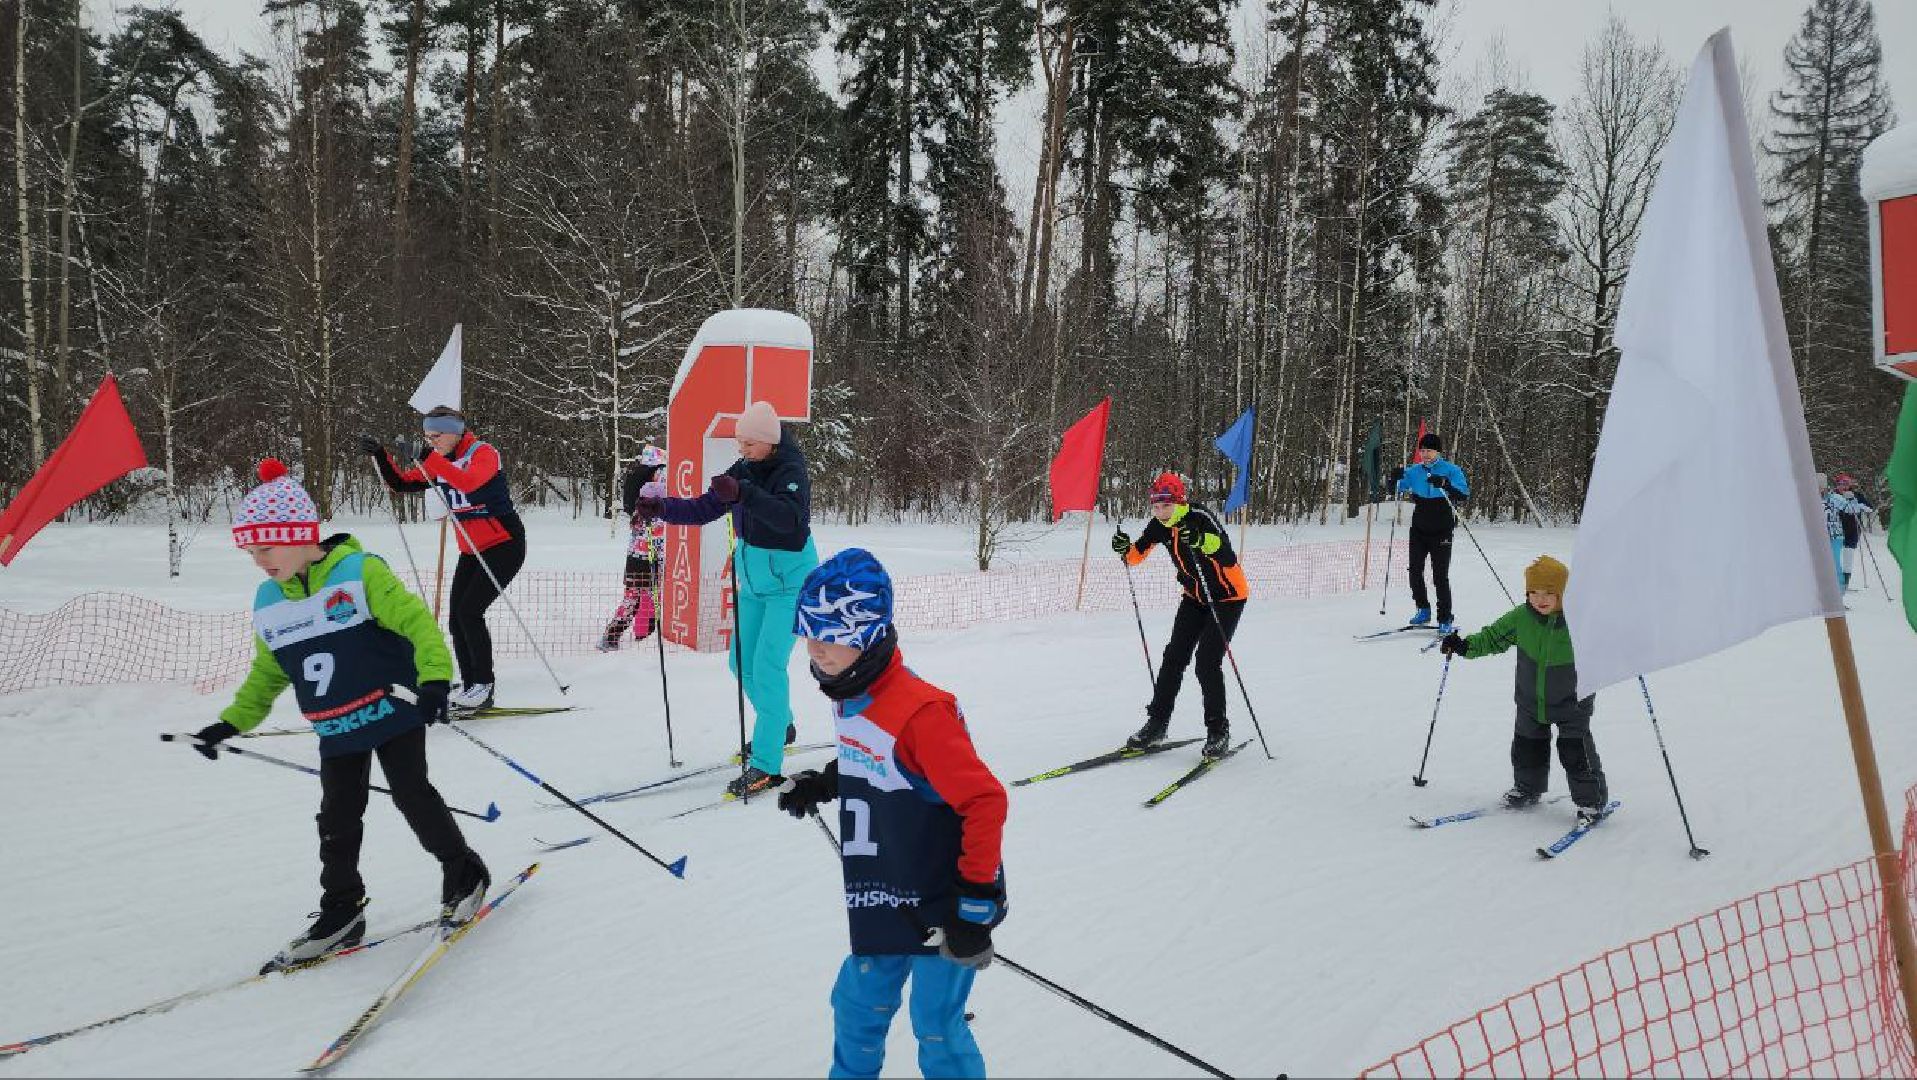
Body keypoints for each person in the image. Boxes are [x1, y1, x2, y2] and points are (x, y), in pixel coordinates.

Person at [191, 460, 490, 969]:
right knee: (336, 818)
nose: (258, 561)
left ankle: (463, 872)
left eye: (266, 548)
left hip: (392, 709)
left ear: (299, 536)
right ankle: (343, 909)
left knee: (411, 794)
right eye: (251, 551)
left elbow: (417, 625)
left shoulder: (359, 572)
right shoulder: (270, 600)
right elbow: (269, 672)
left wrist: (436, 679)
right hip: (336, 725)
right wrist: (231, 722)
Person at [775, 547, 1008, 1080]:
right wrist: (828, 781)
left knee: (935, 1021)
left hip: (943, 896)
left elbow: (985, 802)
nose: (816, 649)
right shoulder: (853, 691)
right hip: (884, 888)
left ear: (869, 633)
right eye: (809, 634)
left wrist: (973, 906)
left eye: (831, 635)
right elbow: (880, 756)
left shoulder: (922, 713)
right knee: (857, 1003)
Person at [636, 400, 820, 798]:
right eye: (740, 443)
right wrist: (662, 508)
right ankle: (780, 725)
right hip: (753, 582)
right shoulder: (744, 468)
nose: (742, 450)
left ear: (769, 441)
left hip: (789, 585)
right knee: (741, 663)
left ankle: (767, 765)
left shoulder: (790, 471)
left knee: (767, 667)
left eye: (749, 444)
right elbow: (705, 507)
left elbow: (790, 520)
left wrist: (745, 494)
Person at [360, 407, 526, 713]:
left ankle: (484, 685)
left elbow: (468, 483)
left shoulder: (483, 453)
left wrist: (427, 457)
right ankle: (470, 683)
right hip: (472, 550)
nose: (432, 441)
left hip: (504, 544)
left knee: (470, 612)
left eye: (436, 435)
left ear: (455, 432)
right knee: (456, 619)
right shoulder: (440, 461)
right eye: (427, 437)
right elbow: (402, 484)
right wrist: (381, 455)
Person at [1438, 555, 1609, 828]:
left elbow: (1607, 642)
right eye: (1534, 592)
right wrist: (1464, 646)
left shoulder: (1580, 622)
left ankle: (1591, 802)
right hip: (1530, 701)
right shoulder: (1522, 617)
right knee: (1527, 747)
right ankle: (1528, 789)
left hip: (1572, 703)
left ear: (1563, 594)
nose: (1540, 599)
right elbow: (1493, 637)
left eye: (1549, 593)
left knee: (1575, 753)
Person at [1110, 471, 1248, 759]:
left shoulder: (1199, 517)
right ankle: (1157, 724)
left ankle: (1218, 731)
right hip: (1195, 597)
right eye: (1156, 506)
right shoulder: (1158, 526)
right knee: (1174, 657)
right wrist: (1125, 550)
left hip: (1227, 597)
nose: (1161, 512)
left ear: (1179, 502)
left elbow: (1227, 555)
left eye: (1166, 506)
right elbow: (1136, 555)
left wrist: (1201, 540)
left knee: (1206, 662)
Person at [1389, 431, 1471, 634]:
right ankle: (1423, 609)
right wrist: (1393, 478)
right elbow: (1396, 489)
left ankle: (1445, 618)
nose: (1425, 454)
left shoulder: (1451, 470)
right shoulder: (1414, 471)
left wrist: (1444, 483)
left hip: (1442, 527)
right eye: (1422, 450)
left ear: (1438, 452)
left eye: (1429, 450)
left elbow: (1463, 494)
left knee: (1439, 576)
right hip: (1419, 527)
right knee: (1414, 571)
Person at [601, 444, 668, 651]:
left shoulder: (634, 479)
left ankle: (631, 634)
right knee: (649, 596)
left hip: (635, 553)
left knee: (634, 597)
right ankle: (633, 636)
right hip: (652, 554)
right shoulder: (658, 477)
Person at [1832, 474, 1876, 591]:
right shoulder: (1833, 496)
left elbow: (1870, 509)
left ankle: (1845, 583)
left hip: (1852, 530)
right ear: (1837, 485)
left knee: (1848, 555)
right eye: (1840, 484)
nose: (1843, 487)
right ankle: (1835, 581)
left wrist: (1856, 503)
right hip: (1836, 531)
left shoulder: (1856, 495)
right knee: (1835, 556)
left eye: (1846, 484)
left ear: (1850, 484)